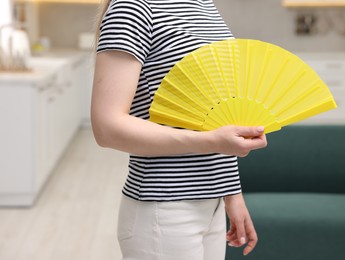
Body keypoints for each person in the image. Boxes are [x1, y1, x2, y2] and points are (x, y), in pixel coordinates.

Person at [91, 0, 268, 259]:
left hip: (212, 205)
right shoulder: (133, 7)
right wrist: (211, 141)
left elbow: (215, 112)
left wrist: (232, 193)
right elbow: (106, 127)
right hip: (164, 209)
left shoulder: (204, 4)